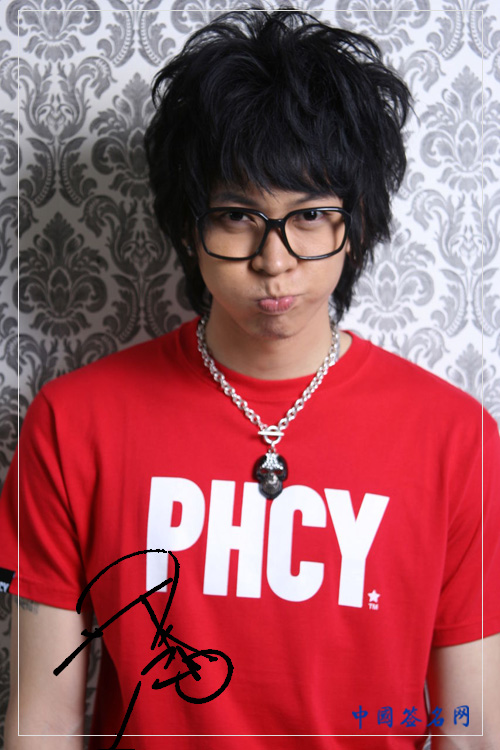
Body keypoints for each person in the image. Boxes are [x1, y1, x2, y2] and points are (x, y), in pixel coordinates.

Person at [2, 10, 499, 750]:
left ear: (357, 222)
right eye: (237, 216)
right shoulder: (73, 423)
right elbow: (42, 721)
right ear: (186, 226)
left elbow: (471, 725)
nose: (275, 260)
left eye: (311, 215)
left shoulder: (459, 442)